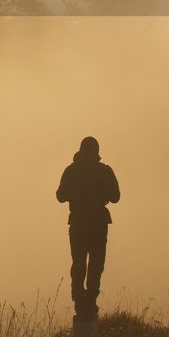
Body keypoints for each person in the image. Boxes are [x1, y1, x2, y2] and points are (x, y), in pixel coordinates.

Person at [56, 136, 120, 320]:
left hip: (78, 225)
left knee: (79, 264)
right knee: (95, 265)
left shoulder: (71, 171)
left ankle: (79, 301)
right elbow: (116, 196)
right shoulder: (104, 171)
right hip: (98, 225)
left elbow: (60, 196)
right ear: (97, 152)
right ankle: (90, 301)